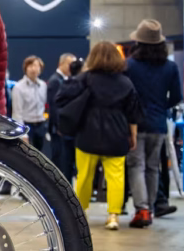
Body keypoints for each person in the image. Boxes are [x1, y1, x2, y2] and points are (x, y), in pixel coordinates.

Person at [59, 41, 143, 231]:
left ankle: (81, 214)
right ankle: (113, 216)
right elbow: (133, 113)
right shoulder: (125, 82)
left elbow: (62, 98)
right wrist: (133, 135)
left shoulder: (84, 78)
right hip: (117, 134)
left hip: (87, 135)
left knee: (84, 176)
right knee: (116, 177)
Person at [123, 20, 182, 228]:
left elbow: (124, 93)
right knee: (152, 167)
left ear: (138, 43)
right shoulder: (170, 67)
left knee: (136, 165)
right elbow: (177, 96)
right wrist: (160, 106)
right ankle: (150, 207)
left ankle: (142, 210)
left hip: (134, 124)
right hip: (158, 124)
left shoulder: (129, 65)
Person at [46, 52, 77, 181]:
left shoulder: (67, 80)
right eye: (70, 64)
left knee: (66, 162)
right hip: (59, 129)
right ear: (61, 64)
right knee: (60, 161)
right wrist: (60, 126)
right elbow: (54, 107)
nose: (72, 67)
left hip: (66, 129)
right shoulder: (55, 81)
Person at [11, 55, 48, 152]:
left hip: (40, 125)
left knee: (40, 155)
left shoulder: (43, 85)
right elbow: (17, 113)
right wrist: (23, 134)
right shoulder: (18, 87)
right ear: (25, 68)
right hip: (27, 126)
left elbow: (44, 106)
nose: (34, 69)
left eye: (37, 66)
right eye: (31, 66)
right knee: (27, 156)